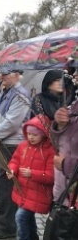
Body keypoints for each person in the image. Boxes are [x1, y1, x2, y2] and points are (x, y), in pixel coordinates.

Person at [0, 69, 30, 239]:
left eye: (5, 74)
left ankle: (8, 226)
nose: (1, 77)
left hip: (12, 145)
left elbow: (12, 122)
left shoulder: (21, 95)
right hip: (4, 142)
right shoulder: (6, 91)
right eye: (0, 73)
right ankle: (5, 216)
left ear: (17, 75)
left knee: (6, 184)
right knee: (3, 183)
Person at [7, 114, 55, 240]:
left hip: (38, 193)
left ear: (43, 134)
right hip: (22, 191)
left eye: (35, 134)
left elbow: (51, 176)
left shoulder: (50, 151)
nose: (31, 137)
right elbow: (15, 161)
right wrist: (12, 170)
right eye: (29, 134)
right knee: (27, 219)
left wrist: (32, 174)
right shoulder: (23, 146)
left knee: (21, 217)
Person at [51, 67, 78, 207]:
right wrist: (59, 125)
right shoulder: (75, 103)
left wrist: (64, 164)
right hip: (64, 191)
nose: (75, 74)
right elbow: (63, 141)